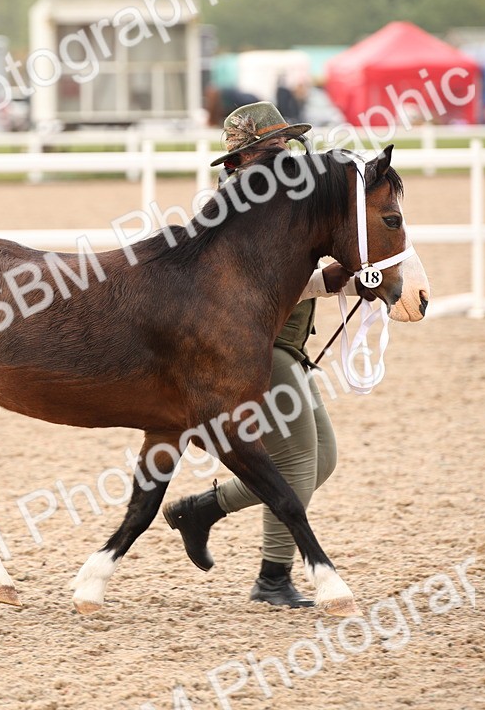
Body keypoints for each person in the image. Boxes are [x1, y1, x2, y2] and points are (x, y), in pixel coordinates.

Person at [162, 101, 369, 608]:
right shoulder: (241, 210)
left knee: (322, 460)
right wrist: (322, 283)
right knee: (296, 458)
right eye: (272, 148)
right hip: (256, 347)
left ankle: (205, 508)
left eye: (286, 145)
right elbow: (252, 294)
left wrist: (329, 279)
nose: (284, 155)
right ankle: (273, 579)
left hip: (286, 345)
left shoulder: (280, 202)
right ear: (245, 159)